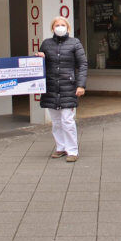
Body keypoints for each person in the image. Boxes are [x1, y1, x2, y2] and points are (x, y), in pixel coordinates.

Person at [36, 16, 87, 162]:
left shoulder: (75, 43)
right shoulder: (46, 44)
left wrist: (81, 85)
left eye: (62, 24)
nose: (59, 27)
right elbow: (41, 66)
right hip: (51, 87)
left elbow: (82, 64)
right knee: (56, 122)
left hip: (68, 87)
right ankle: (60, 148)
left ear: (68, 28)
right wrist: (40, 58)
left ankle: (72, 150)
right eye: (57, 25)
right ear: (52, 28)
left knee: (67, 120)